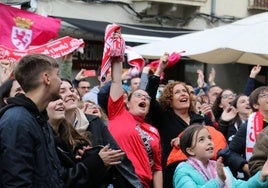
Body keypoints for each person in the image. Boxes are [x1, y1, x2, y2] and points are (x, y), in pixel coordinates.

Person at [145, 52, 213, 188]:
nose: (183, 94)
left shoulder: (200, 120)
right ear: (169, 101)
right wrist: (160, 69)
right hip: (172, 175)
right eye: (177, 92)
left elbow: (215, 140)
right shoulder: (164, 118)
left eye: (185, 91)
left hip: (202, 175)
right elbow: (149, 97)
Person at [59, 78, 143, 188]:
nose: (70, 94)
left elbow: (118, 158)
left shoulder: (94, 122)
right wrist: (95, 161)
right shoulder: (51, 129)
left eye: (71, 89)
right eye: (62, 91)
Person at [0, 54, 64, 187]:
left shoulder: (37, 118)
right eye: (57, 75)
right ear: (46, 78)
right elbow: (17, 183)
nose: (60, 81)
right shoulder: (17, 121)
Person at [108, 55, 162, 188]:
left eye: (147, 98)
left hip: (142, 184)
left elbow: (157, 168)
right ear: (127, 103)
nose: (144, 98)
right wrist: (117, 59)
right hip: (118, 180)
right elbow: (116, 82)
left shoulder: (154, 131)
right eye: (138, 95)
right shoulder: (118, 113)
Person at [47, 98, 124, 187]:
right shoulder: (42, 136)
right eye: (54, 99)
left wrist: (87, 158)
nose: (60, 102)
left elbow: (117, 155)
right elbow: (62, 179)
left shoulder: (70, 132)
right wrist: (96, 161)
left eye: (71, 90)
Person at [173, 124, 268, 188]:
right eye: (201, 140)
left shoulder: (218, 166)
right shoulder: (183, 170)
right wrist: (218, 180)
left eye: (209, 138)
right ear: (190, 151)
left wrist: (261, 176)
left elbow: (241, 186)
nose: (209, 142)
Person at [219, 86, 268, 180]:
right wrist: (245, 167)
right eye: (264, 95)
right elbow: (231, 153)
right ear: (255, 105)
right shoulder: (249, 126)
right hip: (256, 176)